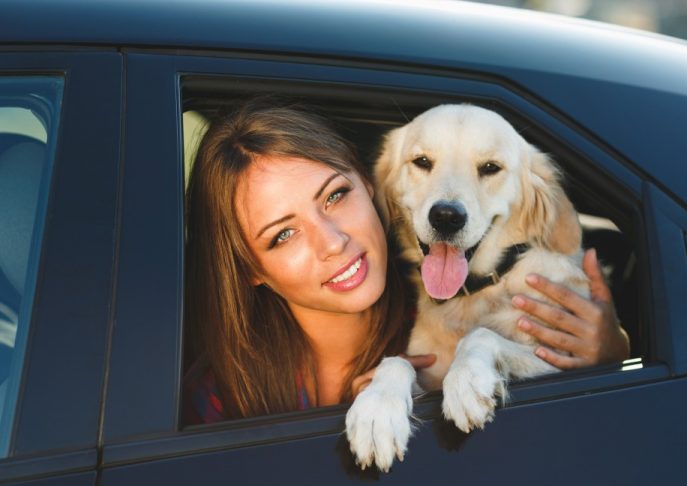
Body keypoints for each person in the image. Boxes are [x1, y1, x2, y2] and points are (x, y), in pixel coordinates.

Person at [183, 99, 629, 425]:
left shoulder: (455, 317)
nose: (333, 242)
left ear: (374, 187)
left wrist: (614, 354)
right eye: (283, 234)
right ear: (250, 267)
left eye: (336, 196)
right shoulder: (220, 394)